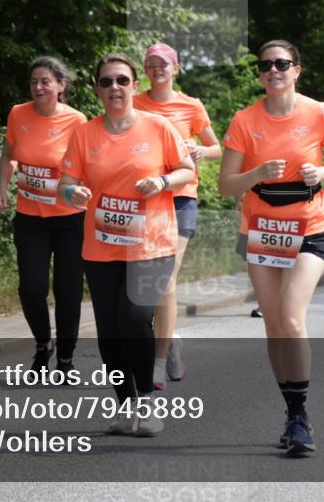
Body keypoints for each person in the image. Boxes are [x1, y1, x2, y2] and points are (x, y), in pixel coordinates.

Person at [218, 39, 324, 456]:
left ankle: (301, 416)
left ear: (297, 69)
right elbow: (226, 185)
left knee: (292, 319)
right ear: (259, 74)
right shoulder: (245, 120)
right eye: (265, 65)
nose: (273, 70)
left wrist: (322, 173)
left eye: (281, 63)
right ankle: (291, 412)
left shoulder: (318, 113)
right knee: (274, 324)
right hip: (261, 230)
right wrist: (256, 172)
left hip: (310, 226)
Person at [57, 53, 195, 437]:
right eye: (106, 82)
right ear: (98, 90)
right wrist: (74, 192)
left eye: (121, 80)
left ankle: (148, 402)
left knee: (133, 317)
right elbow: (65, 184)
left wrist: (163, 183)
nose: (114, 87)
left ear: (135, 86)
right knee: (108, 330)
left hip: (152, 244)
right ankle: (125, 405)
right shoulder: (85, 134)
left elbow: (188, 170)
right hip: (101, 246)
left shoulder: (159, 126)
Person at [134, 42, 221, 390]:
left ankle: (156, 362)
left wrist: (201, 149)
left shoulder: (191, 105)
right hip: (142, 200)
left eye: (163, 64)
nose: (157, 69)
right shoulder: (134, 101)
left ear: (176, 68)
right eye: (151, 64)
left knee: (165, 280)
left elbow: (217, 147)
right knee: (143, 285)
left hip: (181, 198)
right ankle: (169, 342)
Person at [0, 56, 87, 374]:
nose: (38, 87)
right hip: (30, 216)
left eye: (46, 81)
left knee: (67, 289)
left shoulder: (77, 121)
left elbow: (86, 167)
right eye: (34, 81)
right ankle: (42, 344)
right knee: (32, 287)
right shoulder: (18, 113)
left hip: (69, 217)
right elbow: (9, 155)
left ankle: (66, 356)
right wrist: (2, 188)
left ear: (61, 86)